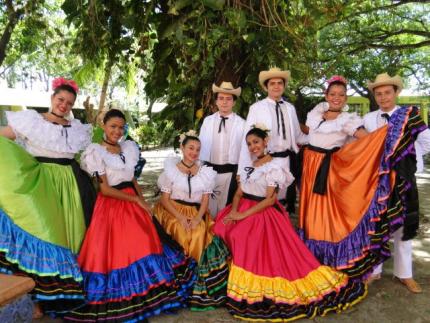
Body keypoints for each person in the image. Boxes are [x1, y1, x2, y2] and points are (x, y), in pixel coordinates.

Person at [214, 125, 367, 322]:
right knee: (220, 226)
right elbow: (238, 193)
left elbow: (269, 200)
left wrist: (242, 217)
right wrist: (234, 211)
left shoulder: (275, 167)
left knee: (240, 235)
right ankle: (224, 278)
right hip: (243, 207)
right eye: (250, 144)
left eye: (256, 142)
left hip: (262, 211)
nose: (253, 147)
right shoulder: (248, 167)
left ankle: (251, 280)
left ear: (265, 142)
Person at [64, 109, 196, 322]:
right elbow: (104, 189)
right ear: (103, 126)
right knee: (120, 250)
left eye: (121, 127)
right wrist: (134, 200)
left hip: (133, 202)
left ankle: (149, 293)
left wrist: (142, 200)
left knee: (145, 242)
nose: (117, 131)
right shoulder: (95, 152)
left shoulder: (129, 148)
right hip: (112, 205)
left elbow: (133, 179)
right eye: (113, 126)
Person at [0, 77, 95, 317]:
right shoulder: (32, 121)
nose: (64, 105)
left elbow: (89, 157)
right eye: (61, 100)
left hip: (70, 186)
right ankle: (36, 296)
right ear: (52, 98)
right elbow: (5, 136)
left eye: (69, 103)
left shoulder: (78, 129)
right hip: (40, 183)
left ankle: (56, 297)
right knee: (45, 233)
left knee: (68, 236)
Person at [364, 73, 430, 293]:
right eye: (379, 94)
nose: (383, 98)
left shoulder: (409, 116)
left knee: (403, 225)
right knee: (376, 225)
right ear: (375, 96)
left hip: (403, 179)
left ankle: (405, 274)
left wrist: (409, 160)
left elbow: (426, 141)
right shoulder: (369, 119)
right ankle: (375, 270)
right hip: (377, 180)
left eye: (387, 93)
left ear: (396, 93)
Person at [153, 131, 230, 310]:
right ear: (182, 148)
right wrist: (180, 217)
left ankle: (194, 280)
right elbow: (165, 199)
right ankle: (179, 278)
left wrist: (197, 218)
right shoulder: (171, 170)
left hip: (196, 211)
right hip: (172, 209)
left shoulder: (205, 173)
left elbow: (205, 200)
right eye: (190, 148)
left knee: (197, 232)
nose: (194, 152)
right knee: (180, 230)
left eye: (197, 149)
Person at [238, 67, 308, 204]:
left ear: (284, 86)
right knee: (264, 199)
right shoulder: (257, 108)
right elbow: (247, 140)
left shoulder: (290, 108)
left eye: (279, 83)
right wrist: (242, 170)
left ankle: (278, 224)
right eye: (272, 83)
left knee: (281, 200)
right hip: (266, 161)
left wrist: (320, 136)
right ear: (266, 87)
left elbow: (298, 136)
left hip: (286, 160)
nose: (276, 86)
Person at [199, 81, 245, 217]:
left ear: (234, 102)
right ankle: (210, 235)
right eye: (221, 98)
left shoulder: (241, 124)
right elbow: (200, 147)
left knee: (227, 207)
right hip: (209, 172)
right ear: (216, 101)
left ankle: (223, 235)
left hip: (230, 173)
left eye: (228, 99)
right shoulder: (208, 121)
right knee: (209, 207)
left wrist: (241, 173)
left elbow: (244, 152)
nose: (224, 102)